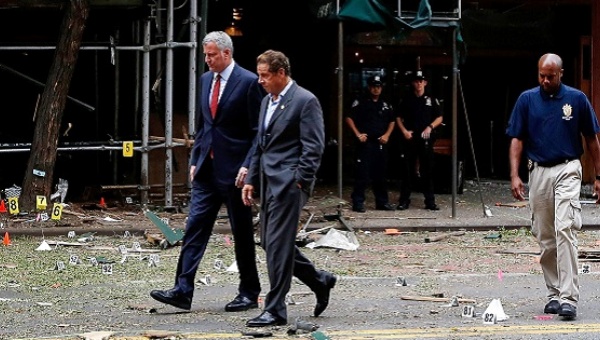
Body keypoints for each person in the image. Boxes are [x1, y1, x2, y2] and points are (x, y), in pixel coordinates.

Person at [150, 31, 263, 313]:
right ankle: (182, 290)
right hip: (206, 169)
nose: (207, 59)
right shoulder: (204, 80)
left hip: (236, 171)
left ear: (227, 53)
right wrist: (195, 158)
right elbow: (204, 125)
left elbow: (257, 132)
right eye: (205, 54)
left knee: (241, 232)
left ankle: (249, 291)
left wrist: (249, 166)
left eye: (212, 55)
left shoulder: (249, 82)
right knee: (195, 227)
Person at [241, 49, 336, 327]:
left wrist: (299, 180)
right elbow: (261, 144)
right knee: (270, 243)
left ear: (281, 73)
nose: (260, 81)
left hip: (290, 183)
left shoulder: (305, 101)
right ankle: (320, 280)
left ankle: (276, 308)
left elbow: (314, 146)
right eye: (260, 75)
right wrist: (250, 179)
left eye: (265, 75)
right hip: (269, 182)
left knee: (279, 245)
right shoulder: (267, 102)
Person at [506, 53, 600, 320]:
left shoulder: (576, 99)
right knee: (545, 236)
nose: (545, 80)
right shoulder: (526, 100)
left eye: (550, 76)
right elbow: (516, 139)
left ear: (561, 73)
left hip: (568, 168)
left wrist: (598, 177)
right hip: (538, 172)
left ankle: (569, 298)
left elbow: (591, 139)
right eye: (541, 76)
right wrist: (514, 175)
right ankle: (554, 293)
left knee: (565, 229)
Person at [345, 75, 396, 212]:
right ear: (369, 87)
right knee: (362, 174)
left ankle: (382, 202)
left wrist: (387, 135)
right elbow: (349, 118)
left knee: (380, 174)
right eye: (373, 86)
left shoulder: (386, 103)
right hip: (365, 143)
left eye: (378, 86)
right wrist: (357, 134)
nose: (376, 89)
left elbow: (392, 120)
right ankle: (358, 202)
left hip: (380, 142)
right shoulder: (360, 101)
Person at [395, 70, 443, 211]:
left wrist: (430, 127)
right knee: (408, 171)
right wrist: (404, 131)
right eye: (416, 81)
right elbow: (398, 117)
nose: (419, 84)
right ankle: (404, 201)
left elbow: (439, 117)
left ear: (425, 83)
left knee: (427, 170)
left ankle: (430, 202)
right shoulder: (406, 99)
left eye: (421, 81)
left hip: (425, 138)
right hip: (410, 138)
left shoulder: (431, 99)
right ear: (413, 83)